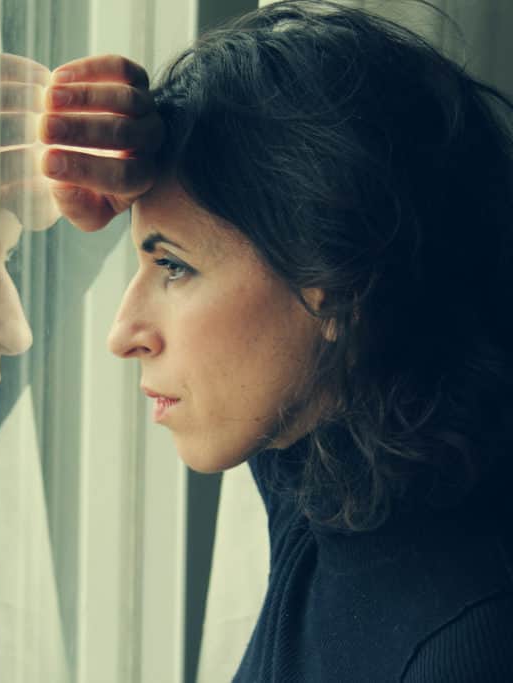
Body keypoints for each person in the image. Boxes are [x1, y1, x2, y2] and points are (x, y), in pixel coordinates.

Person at [37, 1, 513, 680]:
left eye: (173, 265)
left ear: (336, 283)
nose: (123, 334)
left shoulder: (467, 643)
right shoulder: (334, 477)